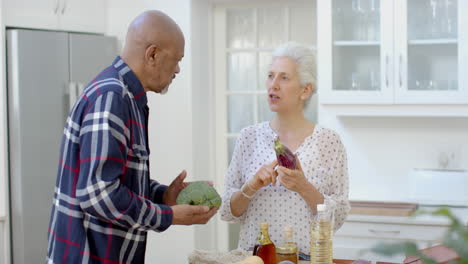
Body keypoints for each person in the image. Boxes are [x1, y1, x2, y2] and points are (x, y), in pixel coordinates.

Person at [47, 10, 218, 263]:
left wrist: (163, 196)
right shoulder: (112, 97)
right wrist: (168, 216)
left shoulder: (129, 98)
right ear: (152, 54)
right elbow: (99, 194)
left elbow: (118, 181)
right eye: (176, 60)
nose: (178, 69)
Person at [220, 42, 350, 260]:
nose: (273, 85)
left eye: (284, 78)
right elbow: (227, 211)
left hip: (307, 259)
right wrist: (250, 187)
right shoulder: (249, 137)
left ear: (305, 90)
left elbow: (337, 218)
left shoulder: (328, 142)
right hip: (254, 260)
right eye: (270, 76)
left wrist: (303, 187)